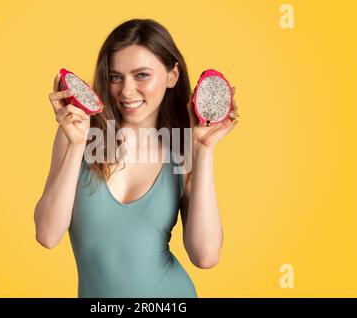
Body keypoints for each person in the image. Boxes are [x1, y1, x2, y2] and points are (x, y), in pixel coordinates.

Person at [34, 18, 239, 298]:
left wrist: (203, 151)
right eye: (116, 77)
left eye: (142, 75)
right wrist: (77, 144)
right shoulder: (77, 135)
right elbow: (47, 234)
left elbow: (205, 256)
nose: (126, 91)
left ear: (172, 75)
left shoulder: (182, 148)